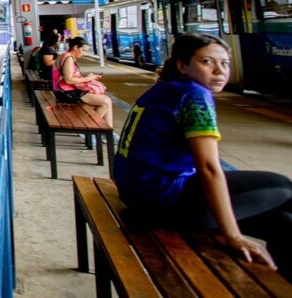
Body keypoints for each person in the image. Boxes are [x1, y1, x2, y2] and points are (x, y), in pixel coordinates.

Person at [114, 33, 290, 277]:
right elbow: (208, 167)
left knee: (283, 221)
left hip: (139, 196)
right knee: (284, 187)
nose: (219, 71)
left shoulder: (164, 88)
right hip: (165, 199)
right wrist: (233, 235)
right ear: (182, 65)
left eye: (225, 63)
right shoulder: (194, 95)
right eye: (207, 62)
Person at [51, 36, 113, 128]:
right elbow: (68, 80)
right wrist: (88, 79)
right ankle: (90, 128)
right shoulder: (68, 58)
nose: (84, 53)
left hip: (64, 91)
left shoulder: (65, 56)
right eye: (83, 50)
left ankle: (107, 129)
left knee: (106, 102)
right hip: (65, 93)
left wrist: (88, 77)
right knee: (105, 101)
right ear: (75, 47)